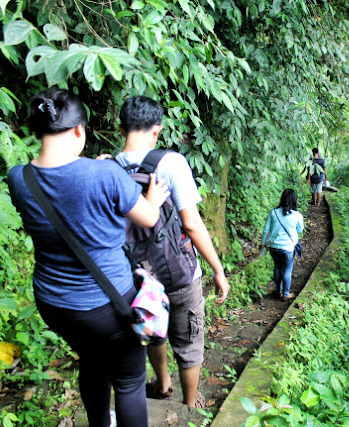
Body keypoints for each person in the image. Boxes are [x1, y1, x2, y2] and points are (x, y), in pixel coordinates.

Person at [8, 87, 169, 427]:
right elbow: (149, 218)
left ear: (37, 132)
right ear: (80, 130)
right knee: (129, 381)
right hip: (108, 305)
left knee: (92, 362)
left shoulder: (19, 179)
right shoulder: (104, 174)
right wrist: (152, 196)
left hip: (55, 304)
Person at [112, 96, 230, 409]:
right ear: (158, 129)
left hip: (136, 276)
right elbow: (191, 224)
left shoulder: (106, 169)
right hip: (179, 274)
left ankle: (163, 385)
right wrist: (217, 270)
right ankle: (190, 404)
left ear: (119, 126)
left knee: (153, 326)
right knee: (189, 341)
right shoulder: (170, 163)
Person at [261, 189, 304, 301]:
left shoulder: (273, 212)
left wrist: (263, 243)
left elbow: (266, 230)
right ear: (294, 200)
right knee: (287, 270)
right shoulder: (297, 215)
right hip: (288, 248)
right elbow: (300, 229)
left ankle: (277, 290)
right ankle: (285, 294)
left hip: (274, 246)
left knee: (277, 268)